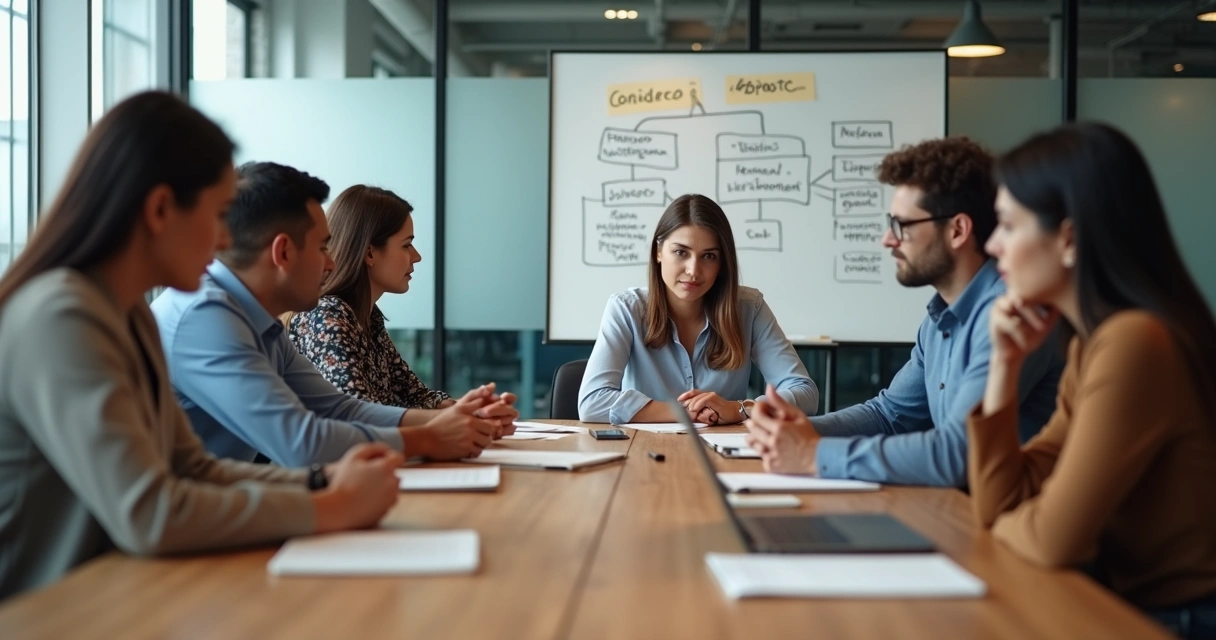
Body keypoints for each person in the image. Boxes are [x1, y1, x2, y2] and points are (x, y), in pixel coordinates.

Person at [0, 92, 401, 599]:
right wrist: (330, 506)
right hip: (49, 611)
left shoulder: (130, 314)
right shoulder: (61, 315)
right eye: (218, 215)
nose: (225, 241)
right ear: (160, 210)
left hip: (116, 592)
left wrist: (323, 483)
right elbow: (151, 513)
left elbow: (193, 469)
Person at [968, 122, 1216, 638]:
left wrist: (1026, 519)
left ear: (1069, 239)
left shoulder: (1136, 342)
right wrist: (1005, 364)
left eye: (1008, 225)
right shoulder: (1093, 344)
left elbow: (1052, 539)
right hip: (1134, 607)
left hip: (1178, 620)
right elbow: (1001, 501)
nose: (992, 245)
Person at [744, 137, 1063, 486]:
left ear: (957, 230)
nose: (888, 239)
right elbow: (889, 416)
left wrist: (812, 453)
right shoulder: (938, 320)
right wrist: (794, 430)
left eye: (902, 226)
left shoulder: (1011, 317)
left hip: (1007, 513)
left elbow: (956, 454)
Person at [151, 162, 516, 467]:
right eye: (323, 247)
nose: (331, 263)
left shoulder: (257, 319)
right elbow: (300, 442)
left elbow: (340, 409)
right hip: (180, 522)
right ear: (283, 253)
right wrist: (429, 437)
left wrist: (453, 420)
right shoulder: (205, 317)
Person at [578, 194, 818, 425]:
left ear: (722, 263)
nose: (693, 270)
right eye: (681, 252)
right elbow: (592, 402)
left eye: (709, 256)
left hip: (725, 449)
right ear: (658, 252)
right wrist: (685, 412)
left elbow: (805, 393)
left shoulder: (749, 308)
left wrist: (739, 409)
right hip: (644, 447)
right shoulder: (626, 309)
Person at [288, 185, 459, 409]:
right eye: (406, 245)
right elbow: (357, 414)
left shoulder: (368, 316)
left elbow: (415, 397)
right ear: (370, 253)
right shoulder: (327, 316)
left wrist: (473, 409)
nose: (416, 256)